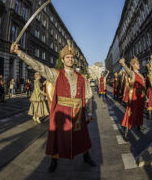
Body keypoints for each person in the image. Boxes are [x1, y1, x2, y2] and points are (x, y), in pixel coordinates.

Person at [10, 41, 95, 173]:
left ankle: (86, 156)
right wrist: (19, 52)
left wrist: (89, 113)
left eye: (72, 57)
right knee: (58, 137)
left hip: (78, 112)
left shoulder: (82, 77)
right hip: (62, 112)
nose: (70, 59)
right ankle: (54, 160)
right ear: (63, 59)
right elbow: (39, 66)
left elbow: (89, 95)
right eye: (67, 57)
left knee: (82, 136)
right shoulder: (56, 74)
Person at [119, 56, 146, 141]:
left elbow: (143, 86)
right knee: (130, 114)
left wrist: (146, 97)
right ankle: (126, 132)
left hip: (140, 97)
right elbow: (127, 70)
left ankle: (139, 126)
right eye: (137, 63)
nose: (139, 65)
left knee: (140, 112)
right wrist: (123, 64)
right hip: (134, 97)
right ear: (133, 65)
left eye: (138, 63)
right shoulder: (133, 73)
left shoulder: (140, 74)